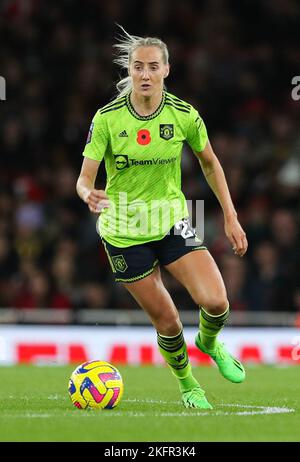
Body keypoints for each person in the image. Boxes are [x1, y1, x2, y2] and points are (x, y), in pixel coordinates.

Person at [76, 27, 248, 409]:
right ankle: (188, 385)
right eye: (138, 67)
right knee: (169, 323)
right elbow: (84, 179)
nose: (146, 74)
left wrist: (230, 217)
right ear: (130, 71)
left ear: (166, 70)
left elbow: (211, 163)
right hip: (124, 233)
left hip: (171, 221)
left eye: (153, 66)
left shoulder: (184, 115)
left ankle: (208, 341)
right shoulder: (106, 119)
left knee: (216, 302)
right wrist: (88, 193)